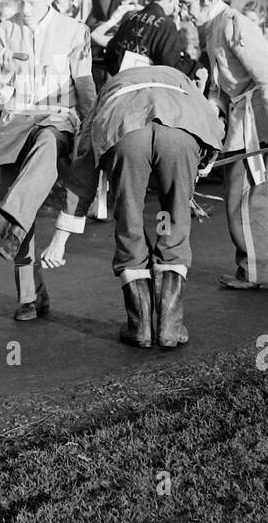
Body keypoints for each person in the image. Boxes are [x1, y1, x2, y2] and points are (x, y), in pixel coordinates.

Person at [39, 63, 222, 349]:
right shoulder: (180, 79)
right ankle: (171, 327)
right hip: (180, 130)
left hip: (125, 133)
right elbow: (213, 122)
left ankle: (140, 327)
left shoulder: (110, 89)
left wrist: (59, 240)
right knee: (173, 219)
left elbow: (84, 165)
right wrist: (203, 164)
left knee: (130, 219)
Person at [176, 0, 268, 290]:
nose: (181, 11)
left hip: (256, 120)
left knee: (244, 197)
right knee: (253, 189)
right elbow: (221, 82)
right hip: (243, 117)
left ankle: (256, 272)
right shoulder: (213, 26)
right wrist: (212, 112)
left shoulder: (232, 23)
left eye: (185, 3)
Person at [0, 0, 96, 321]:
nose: (25, 9)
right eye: (20, 1)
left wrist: (93, 129)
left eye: (32, 2)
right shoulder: (4, 31)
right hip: (15, 123)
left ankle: (13, 226)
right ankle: (30, 297)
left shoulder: (75, 32)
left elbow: (85, 88)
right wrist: (2, 71)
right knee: (18, 208)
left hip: (57, 120)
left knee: (47, 145)